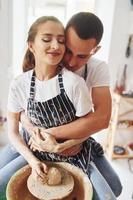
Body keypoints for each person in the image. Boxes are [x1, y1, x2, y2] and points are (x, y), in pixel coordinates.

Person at [0, 12, 122, 200]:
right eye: (69, 51)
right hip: (33, 139)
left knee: (113, 186)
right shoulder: (35, 67)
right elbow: (20, 112)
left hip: (72, 142)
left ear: (95, 50)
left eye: (81, 56)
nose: (72, 62)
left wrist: (61, 141)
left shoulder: (90, 73)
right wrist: (36, 135)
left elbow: (98, 120)